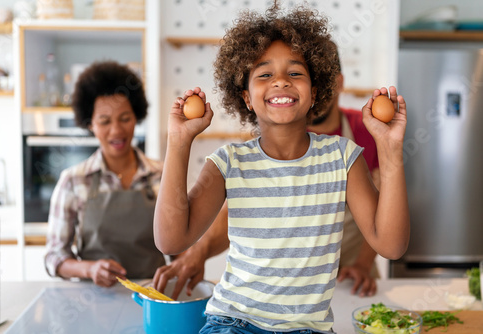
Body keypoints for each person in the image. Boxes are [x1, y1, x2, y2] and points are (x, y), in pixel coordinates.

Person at [154, 5, 409, 334]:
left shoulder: (343, 158)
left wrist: (390, 149)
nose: (280, 82)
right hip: (234, 323)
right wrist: (179, 142)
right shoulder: (229, 162)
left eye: (295, 73)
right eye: (264, 74)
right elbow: (170, 239)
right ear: (246, 97)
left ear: (315, 92)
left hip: (308, 327)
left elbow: (391, 245)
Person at [44, 61, 167, 287]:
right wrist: (89, 269)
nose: (116, 131)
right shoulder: (73, 181)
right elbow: (54, 257)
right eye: (104, 121)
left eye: (125, 118)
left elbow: (181, 251)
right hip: (92, 298)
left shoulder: (162, 175)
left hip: (153, 297)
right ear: (90, 123)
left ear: (137, 117)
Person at [307, 42, 380, 297]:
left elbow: (382, 207)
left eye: (324, 83)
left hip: (355, 276)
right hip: (300, 282)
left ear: (339, 82)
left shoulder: (365, 130)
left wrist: (363, 264)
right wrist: (199, 252)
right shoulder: (283, 138)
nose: (314, 94)